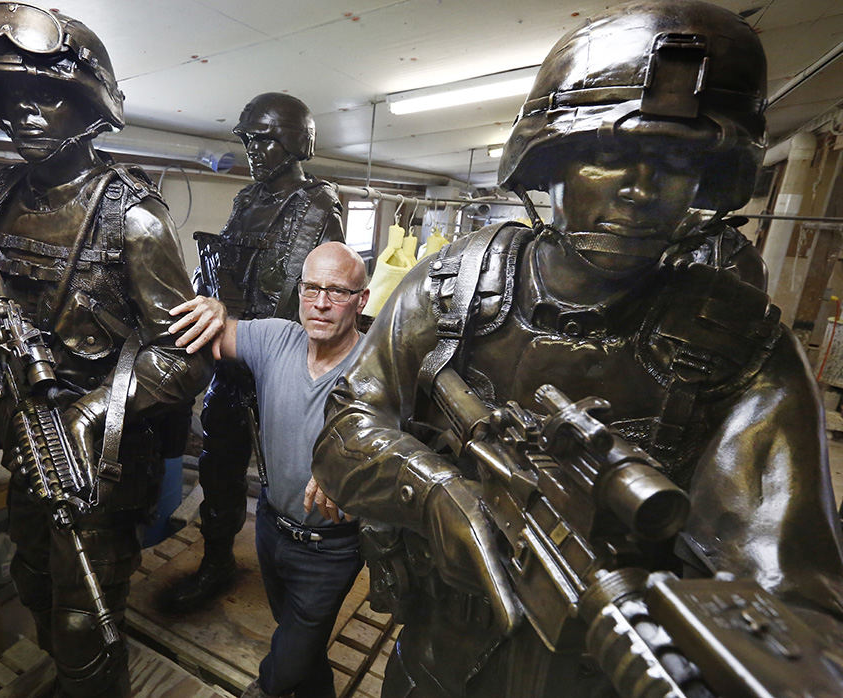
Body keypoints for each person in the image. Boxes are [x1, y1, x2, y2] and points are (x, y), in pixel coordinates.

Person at [311, 2, 843, 697]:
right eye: (610, 155)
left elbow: (793, 602)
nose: (641, 190)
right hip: (431, 662)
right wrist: (437, 493)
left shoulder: (742, 350)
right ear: (552, 160)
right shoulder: (450, 287)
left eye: (676, 162)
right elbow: (347, 428)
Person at [0, 4, 210, 695]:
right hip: (23, 442)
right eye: (10, 100)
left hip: (97, 457)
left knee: (87, 620)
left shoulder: (133, 217)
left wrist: (98, 407)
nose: (25, 115)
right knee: (32, 581)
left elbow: (189, 357)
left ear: (86, 101)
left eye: (45, 96)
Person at [168, 92, 346, 611]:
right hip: (233, 357)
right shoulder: (247, 200)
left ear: (294, 141)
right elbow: (227, 275)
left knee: (290, 471)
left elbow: (305, 291)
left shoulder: (316, 202)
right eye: (248, 138)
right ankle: (217, 559)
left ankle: (294, 570)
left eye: (264, 138)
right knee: (219, 464)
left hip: (281, 357)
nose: (254, 149)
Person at [169, 241, 368, 698]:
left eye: (337, 292)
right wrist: (214, 307)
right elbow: (215, 330)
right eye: (312, 287)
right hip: (271, 530)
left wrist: (355, 465)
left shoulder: (377, 366)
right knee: (304, 647)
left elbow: (407, 441)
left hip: (331, 548)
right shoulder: (278, 338)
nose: (320, 303)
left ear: (362, 300)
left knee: (286, 660)